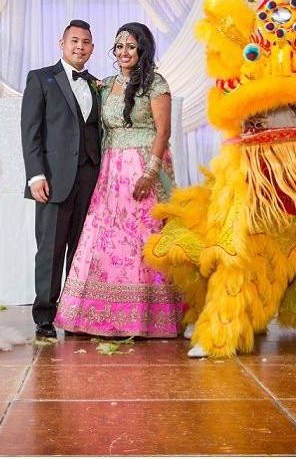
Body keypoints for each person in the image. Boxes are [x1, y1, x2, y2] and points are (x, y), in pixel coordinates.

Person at [53, 22, 184, 338]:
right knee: (104, 239)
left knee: (145, 236)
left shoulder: (155, 83)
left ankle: (149, 318)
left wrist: (151, 172)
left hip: (143, 167)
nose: (124, 52)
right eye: (119, 47)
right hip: (110, 173)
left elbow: (163, 131)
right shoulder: (106, 84)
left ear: (142, 51)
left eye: (131, 47)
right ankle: (95, 316)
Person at [21, 20, 102, 339]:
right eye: (74, 41)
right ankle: (44, 314)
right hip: (52, 179)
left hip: (89, 178)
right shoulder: (41, 79)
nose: (80, 47)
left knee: (82, 249)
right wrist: (35, 175)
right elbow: (31, 132)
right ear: (62, 43)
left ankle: (76, 312)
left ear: (92, 48)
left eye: (86, 42)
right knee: (51, 249)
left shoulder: (97, 84)